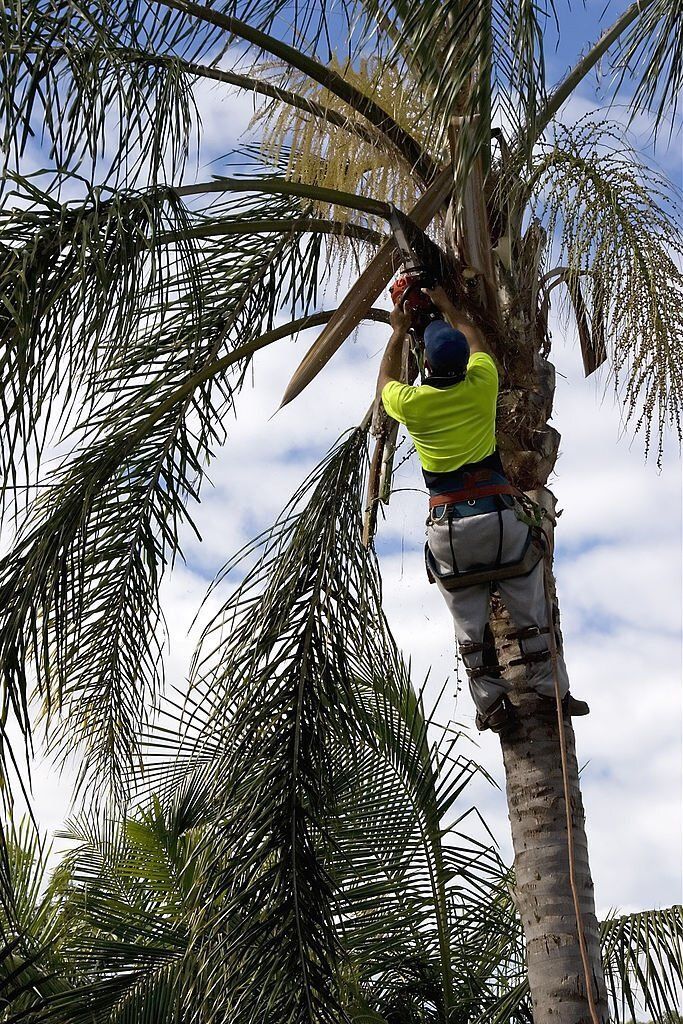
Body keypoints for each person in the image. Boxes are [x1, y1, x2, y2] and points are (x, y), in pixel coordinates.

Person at [376, 285, 589, 733]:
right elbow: (476, 341)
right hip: (499, 520)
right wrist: (452, 306)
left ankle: (492, 706)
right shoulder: (483, 382)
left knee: (470, 629)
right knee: (531, 609)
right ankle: (552, 691)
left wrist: (397, 333)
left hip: (451, 530)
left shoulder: (413, 404)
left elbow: (385, 387)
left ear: (427, 366)